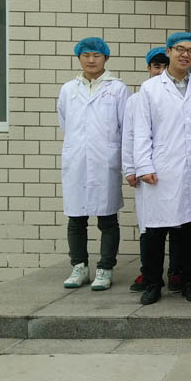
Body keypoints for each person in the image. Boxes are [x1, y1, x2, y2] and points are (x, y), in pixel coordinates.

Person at [132, 31, 191, 305]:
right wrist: (143, 165)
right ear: (168, 51)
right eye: (180, 49)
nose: (185, 54)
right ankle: (152, 284)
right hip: (161, 168)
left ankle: (190, 281)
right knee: (155, 231)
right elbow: (141, 131)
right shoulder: (150, 88)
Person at [58, 37, 130, 291]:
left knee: (107, 219)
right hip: (77, 159)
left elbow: (126, 126)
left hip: (104, 160)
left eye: (96, 55)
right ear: (78, 57)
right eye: (86, 55)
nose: (91, 60)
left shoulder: (118, 89)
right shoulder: (68, 89)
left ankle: (105, 268)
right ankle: (79, 266)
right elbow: (65, 122)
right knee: (76, 218)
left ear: (105, 58)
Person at [123, 48, 177, 293]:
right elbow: (130, 136)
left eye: (165, 67)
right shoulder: (136, 99)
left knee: (178, 227)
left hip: (173, 170)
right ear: (148, 68)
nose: (161, 71)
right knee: (150, 229)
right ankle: (149, 275)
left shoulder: (179, 95)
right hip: (147, 172)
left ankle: (176, 272)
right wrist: (131, 168)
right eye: (157, 67)